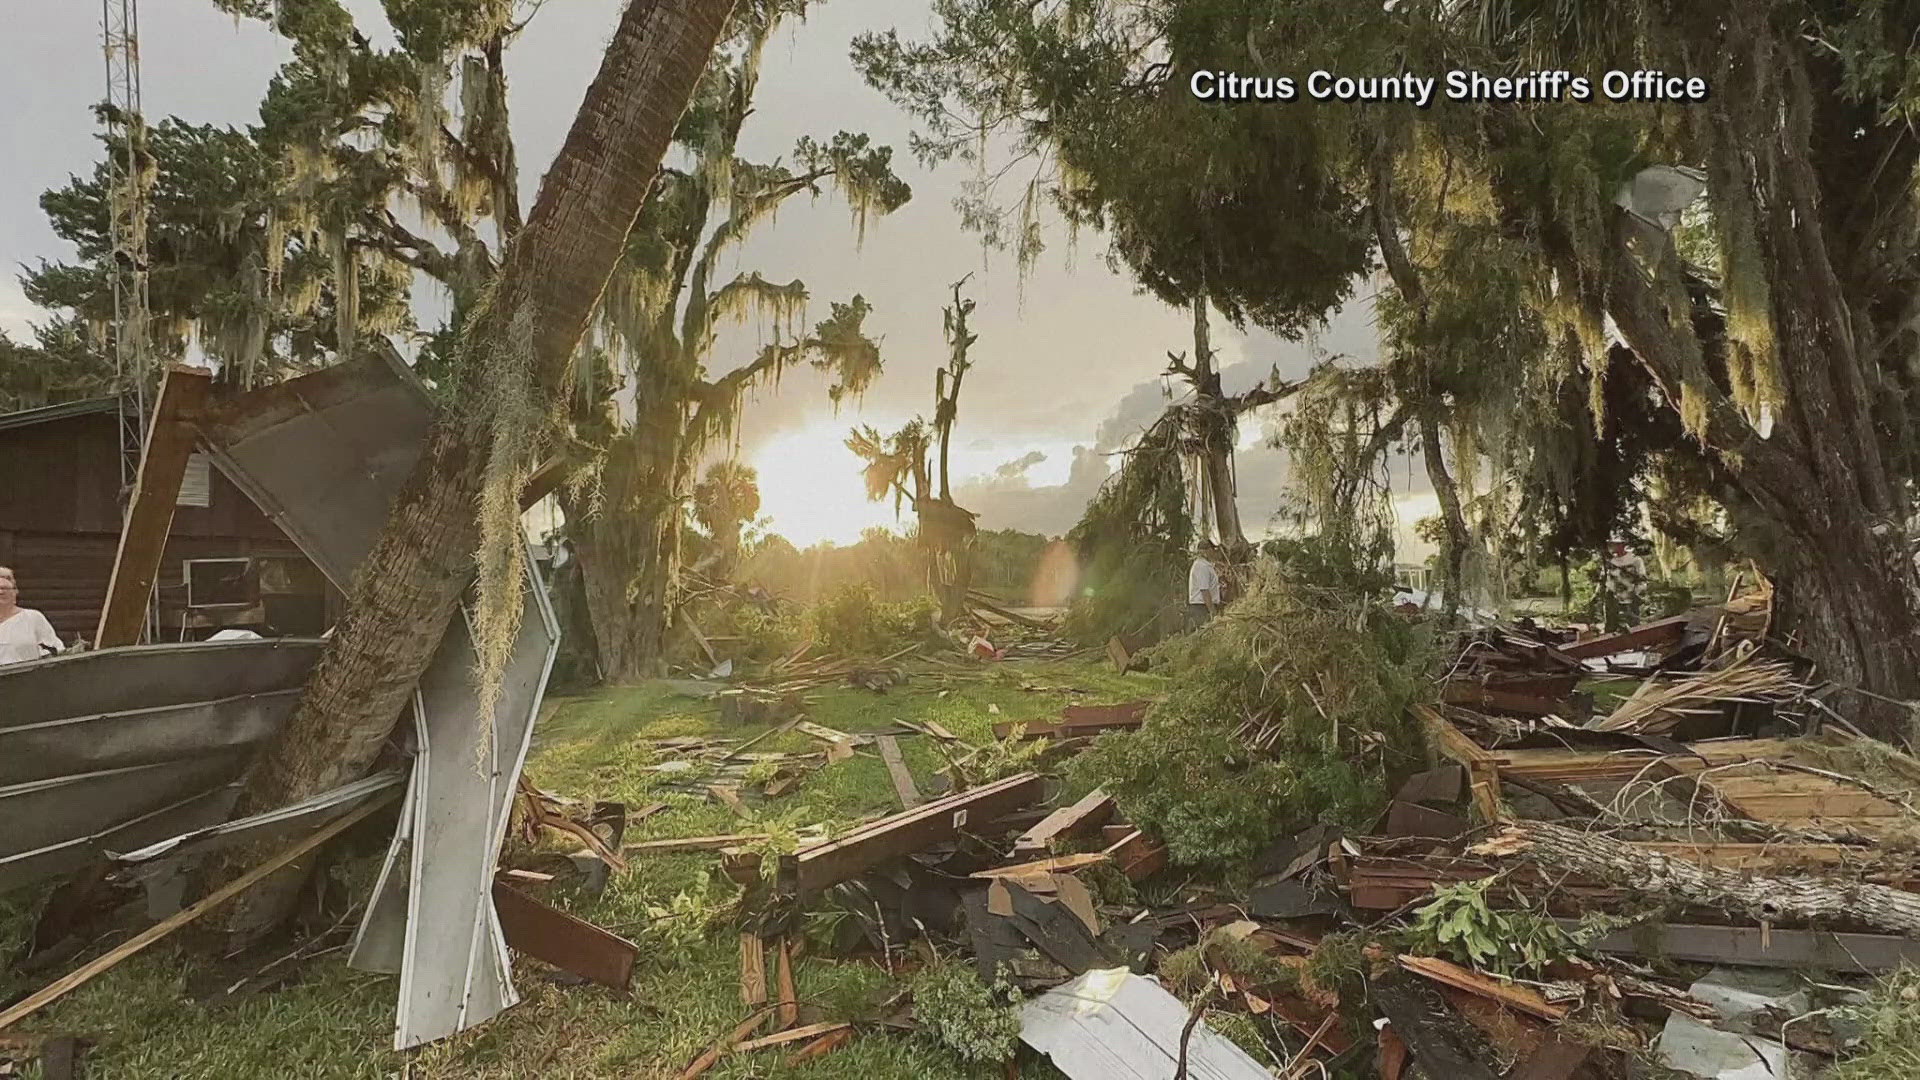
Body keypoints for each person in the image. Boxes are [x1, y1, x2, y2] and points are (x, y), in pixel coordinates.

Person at [0, 566, 63, 665]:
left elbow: (54, 652)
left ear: (15, 592)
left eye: (5, 589)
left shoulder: (33, 618)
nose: (1, 592)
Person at [1187, 541, 1222, 629]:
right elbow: (1204, 590)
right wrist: (1212, 611)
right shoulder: (1202, 567)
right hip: (1202, 607)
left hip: (1204, 606)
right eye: (1212, 549)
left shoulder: (1206, 565)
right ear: (1206, 551)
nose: (1214, 552)